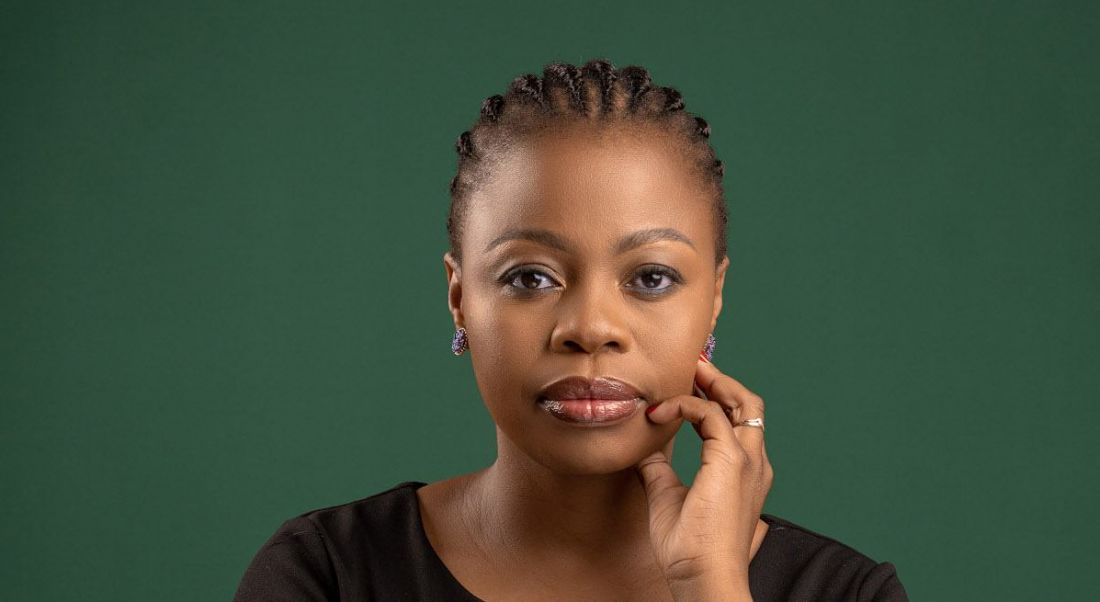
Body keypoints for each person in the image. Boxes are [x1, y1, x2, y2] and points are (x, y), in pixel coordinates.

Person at [233, 58, 909, 601]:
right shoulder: (329, 574)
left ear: (715, 300)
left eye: (650, 278)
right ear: (461, 298)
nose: (590, 328)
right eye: (530, 277)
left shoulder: (844, 592)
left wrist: (711, 586)